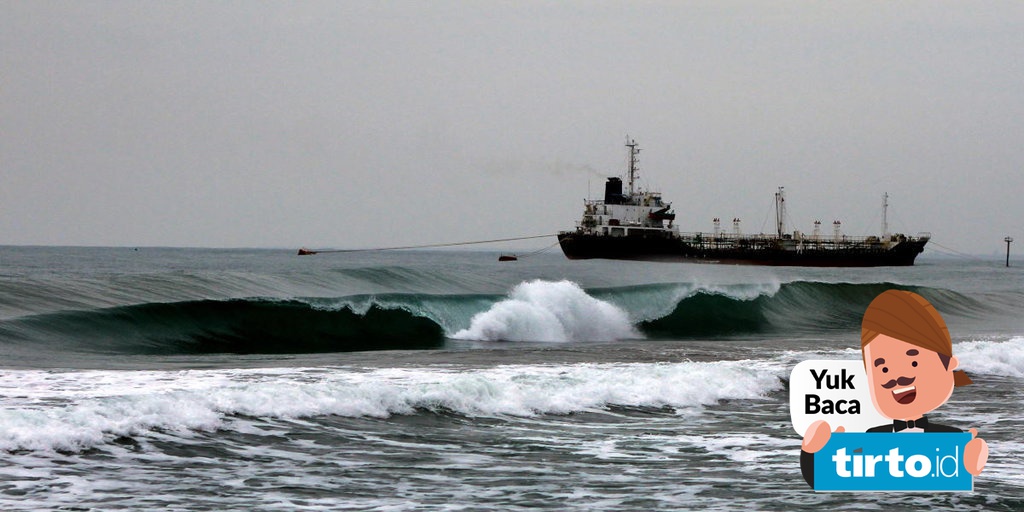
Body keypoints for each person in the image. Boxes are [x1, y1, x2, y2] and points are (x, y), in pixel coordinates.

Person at [799, 290, 988, 488]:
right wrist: (812, 453)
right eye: (883, 368)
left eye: (913, 362)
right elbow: (827, 477)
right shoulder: (873, 438)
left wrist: (971, 464)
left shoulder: (953, 440)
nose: (896, 378)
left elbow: (964, 489)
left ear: (949, 364)